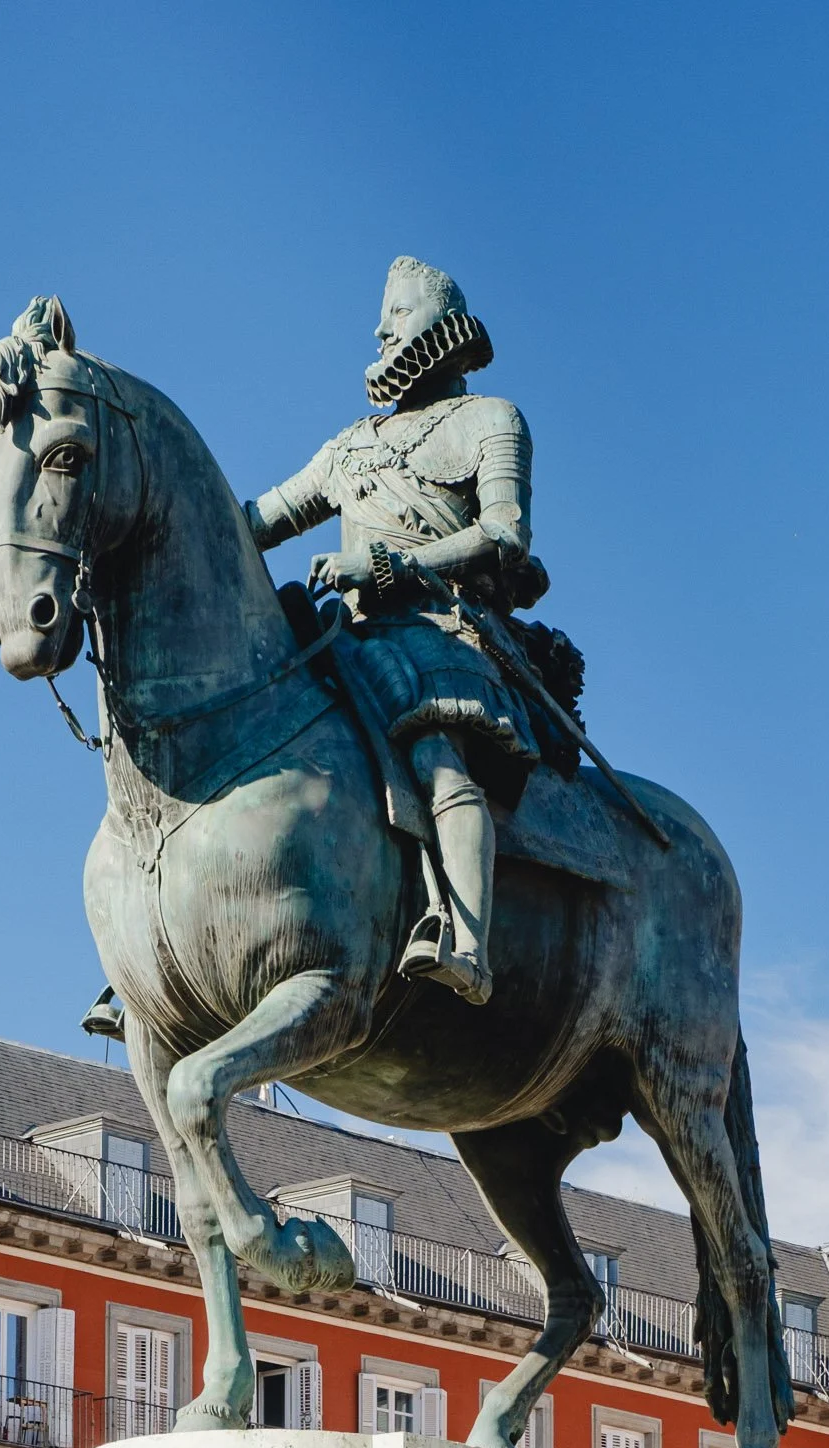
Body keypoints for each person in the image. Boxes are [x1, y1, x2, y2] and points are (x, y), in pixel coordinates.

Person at [245, 257, 573, 1007]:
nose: (380, 327)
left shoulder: (492, 419)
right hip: (348, 635)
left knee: (437, 755)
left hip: (443, 628)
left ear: (437, 322)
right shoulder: (351, 446)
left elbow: (505, 534)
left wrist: (394, 565)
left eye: (396, 311)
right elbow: (259, 520)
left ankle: (467, 944)